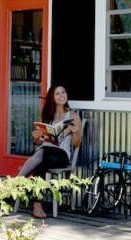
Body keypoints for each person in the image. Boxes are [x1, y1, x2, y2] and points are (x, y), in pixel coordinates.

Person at [17, 84, 82, 218]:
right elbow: (39, 142)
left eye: (63, 92)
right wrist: (36, 137)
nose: (61, 95)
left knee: (42, 153)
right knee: (42, 157)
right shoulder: (46, 115)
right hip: (45, 154)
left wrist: (75, 133)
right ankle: (37, 205)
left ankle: (17, 181)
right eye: (57, 93)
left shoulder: (73, 116)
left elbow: (77, 144)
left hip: (61, 156)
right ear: (52, 98)